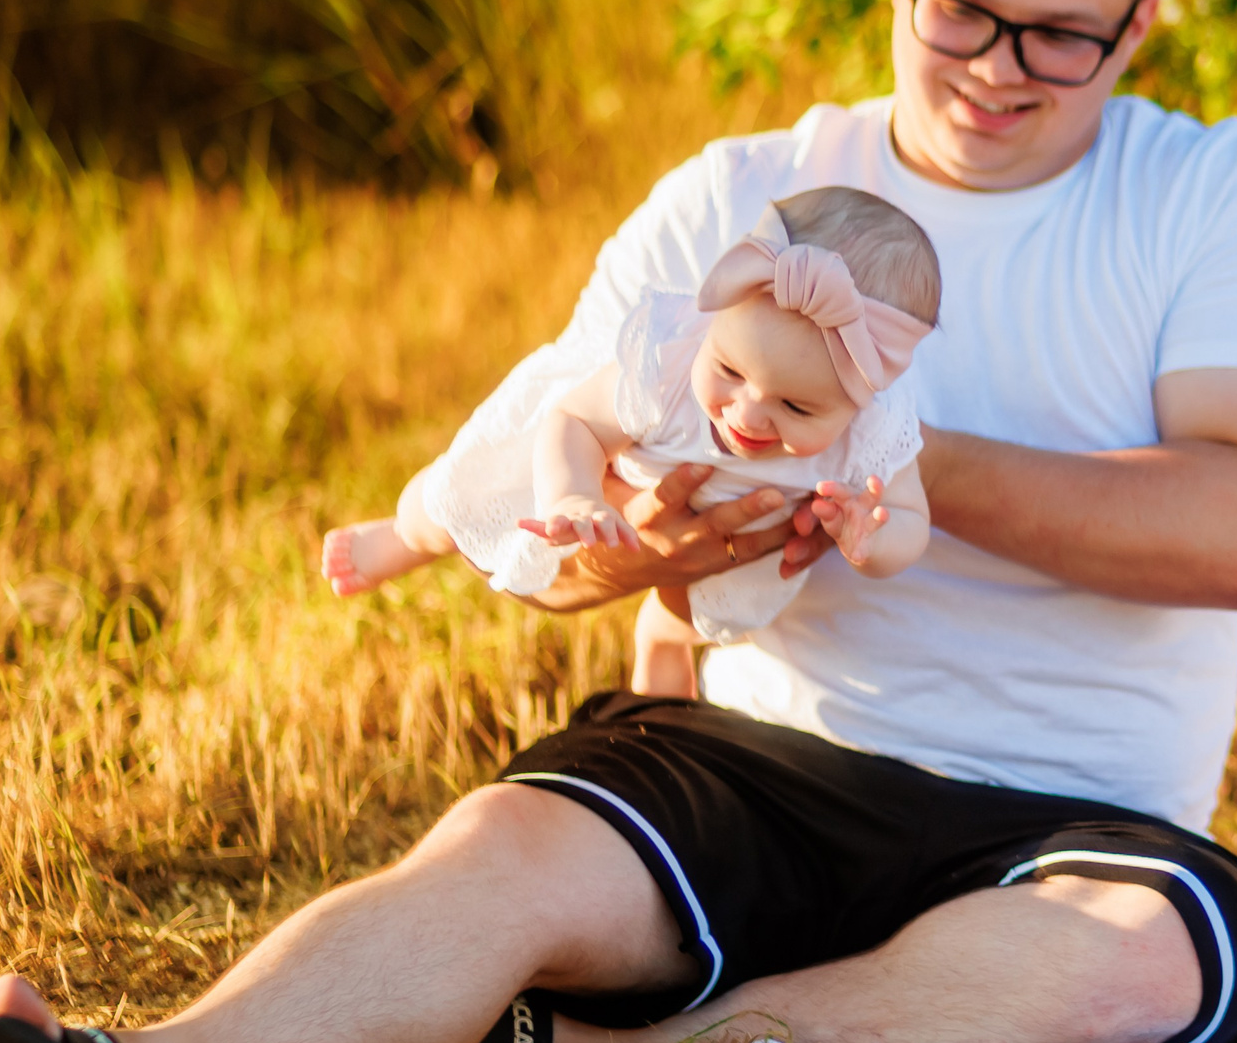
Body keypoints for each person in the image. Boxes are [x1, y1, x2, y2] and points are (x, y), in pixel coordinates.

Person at [0, 0, 1237, 1043]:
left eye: (1059, 36)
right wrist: (636, 546)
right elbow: (542, 539)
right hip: (752, 770)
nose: (994, 68)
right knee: (496, 855)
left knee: (1134, 966)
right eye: (961, 11)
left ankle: (632, 1042)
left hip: (1076, 826)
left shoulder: (1211, 196)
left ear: (1140, 24)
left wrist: (880, 457)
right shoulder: (736, 199)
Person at [322, 188, 941, 697]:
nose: (747, 412)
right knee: (453, 504)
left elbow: (910, 518)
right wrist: (572, 496)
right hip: (593, 467)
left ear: (866, 393)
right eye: (728, 370)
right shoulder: (669, 368)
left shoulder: (871, 434)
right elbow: (574, 422)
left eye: (797, 406)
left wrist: (873, 537)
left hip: (734, 543)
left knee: (698, 610)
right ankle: (401, 538)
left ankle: (660, 640)